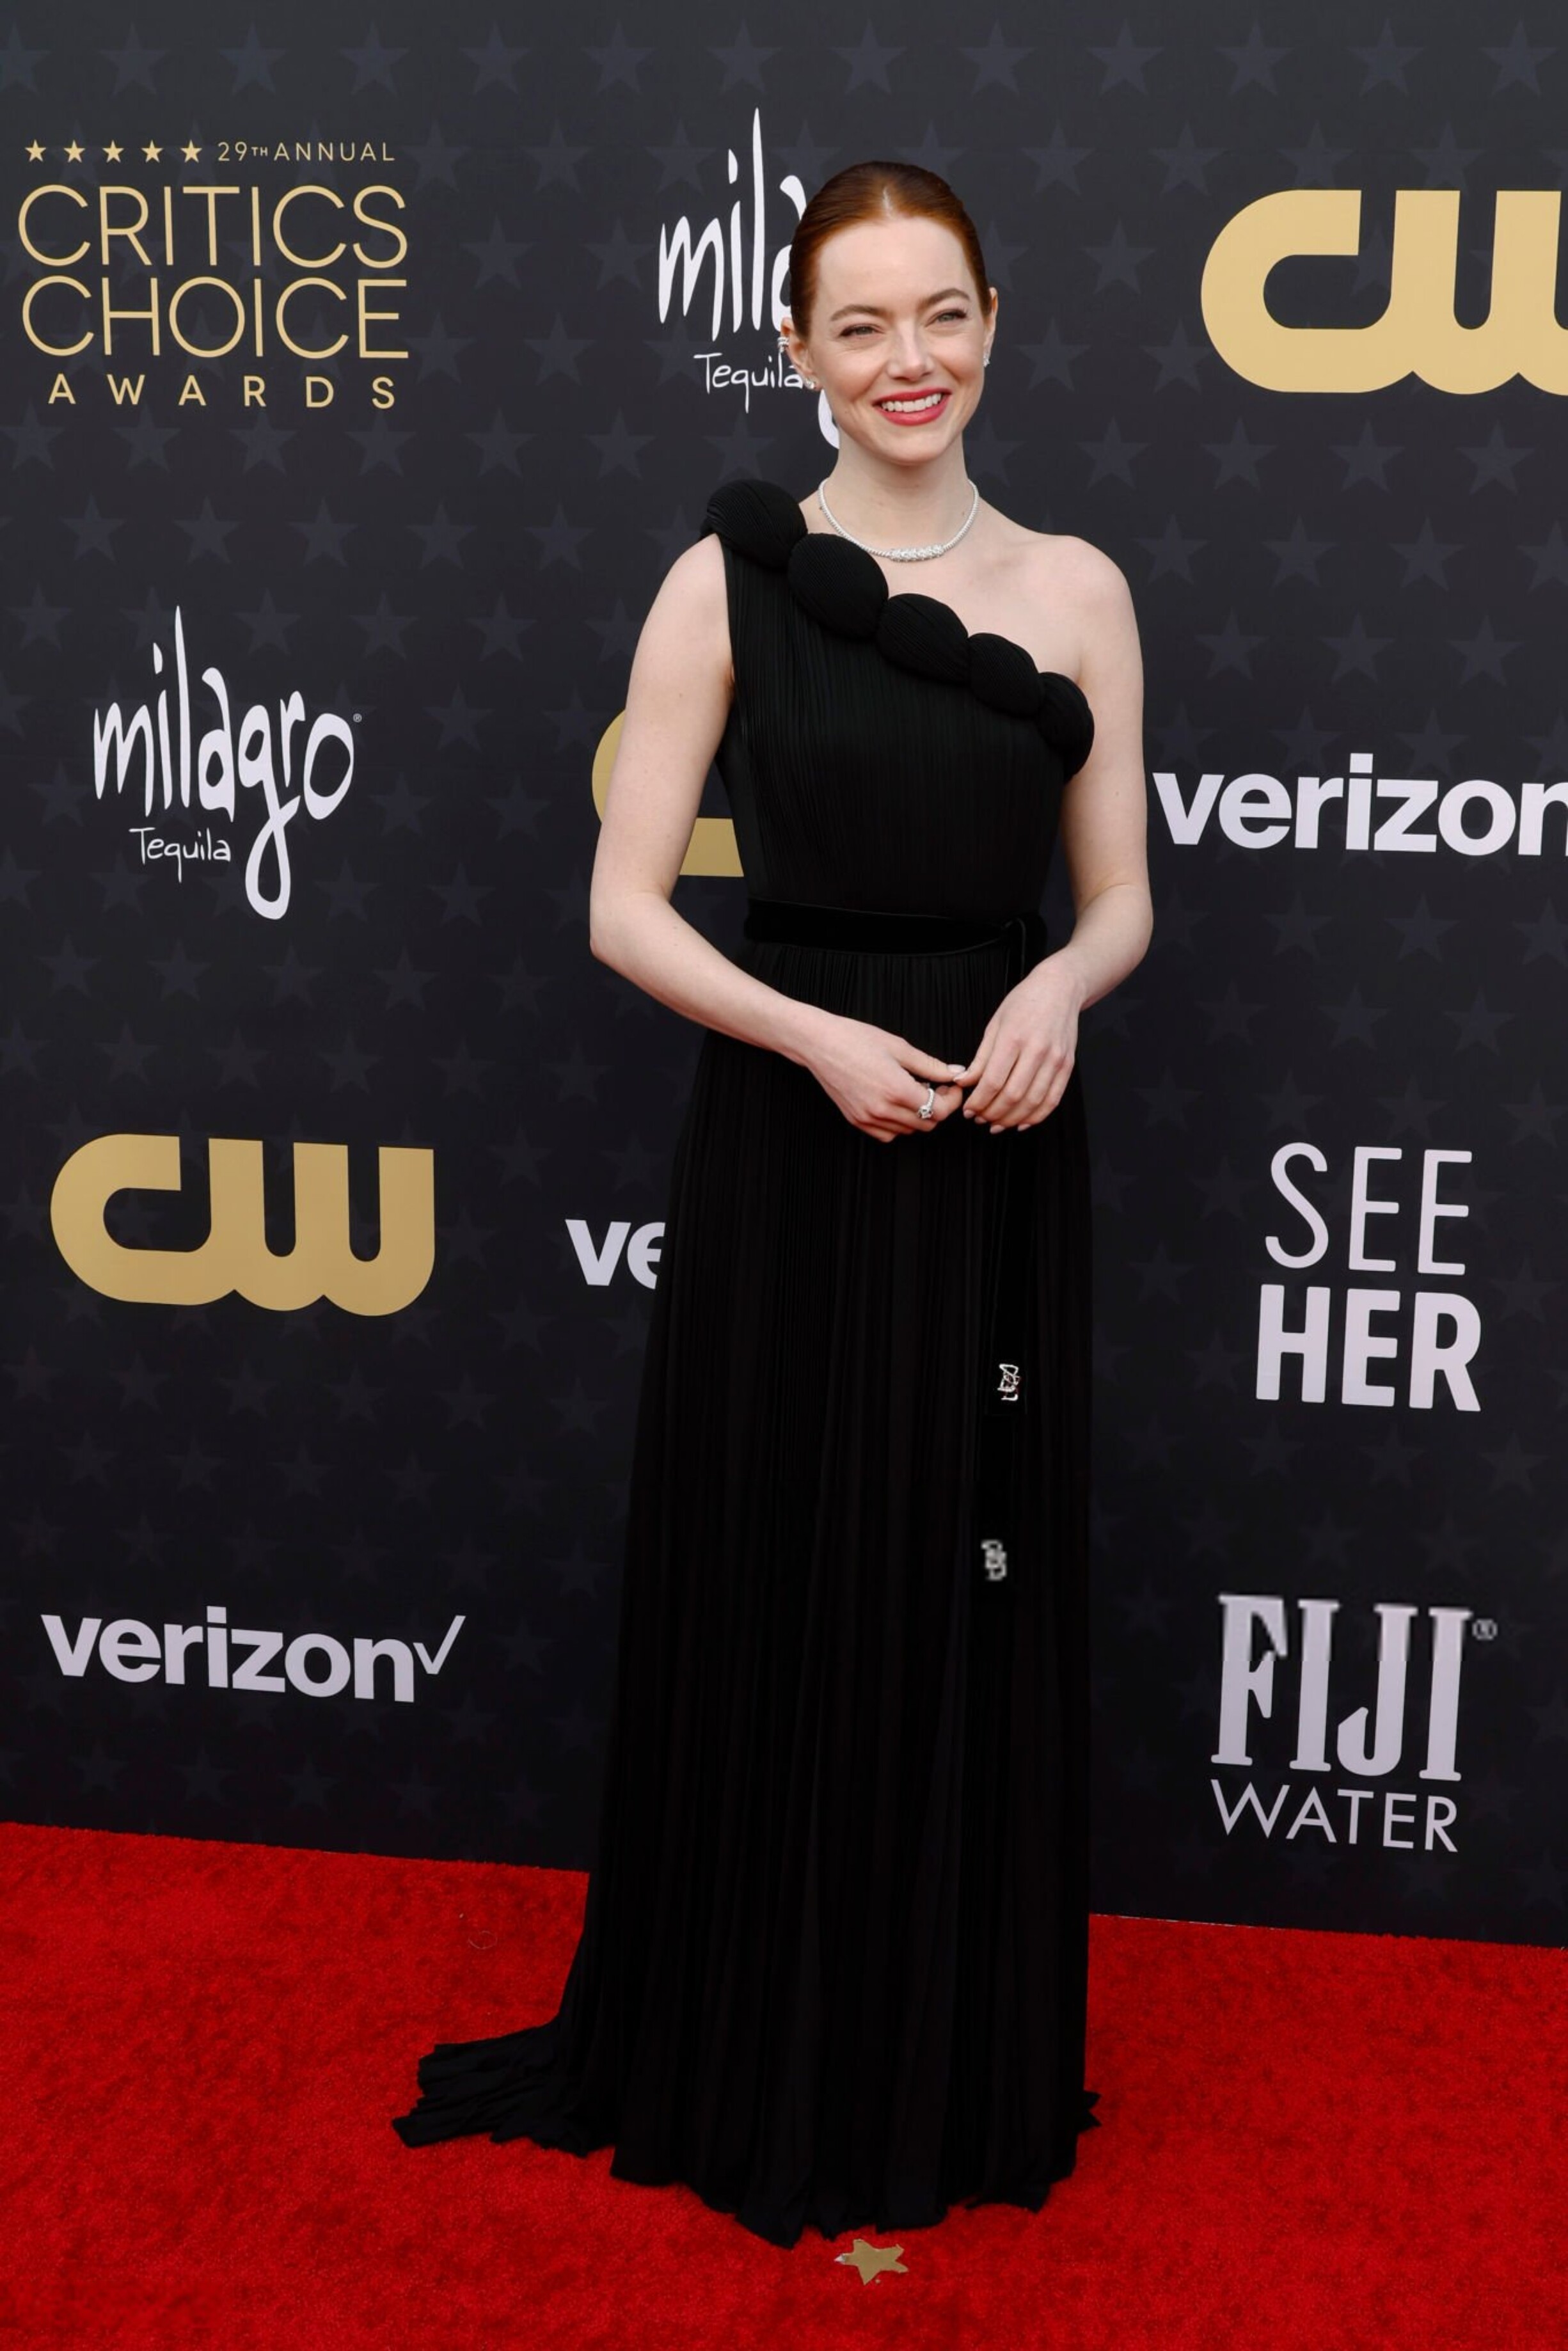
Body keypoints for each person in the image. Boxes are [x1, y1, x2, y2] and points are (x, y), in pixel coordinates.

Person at [392, 159, 1152, 2252]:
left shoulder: (1079, 589)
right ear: (798, 350)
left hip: (997, 1138)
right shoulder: (722, 582)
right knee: (790, 1566)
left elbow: (1118, 899)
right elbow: (624, 907)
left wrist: (1055, 992)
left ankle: (941, 2057)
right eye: (861, 324)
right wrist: (811, 1035)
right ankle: (762, 2047)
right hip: (797, 1137)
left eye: (942, 314)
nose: (910, 360)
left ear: (993, 324)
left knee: (960, 1579)